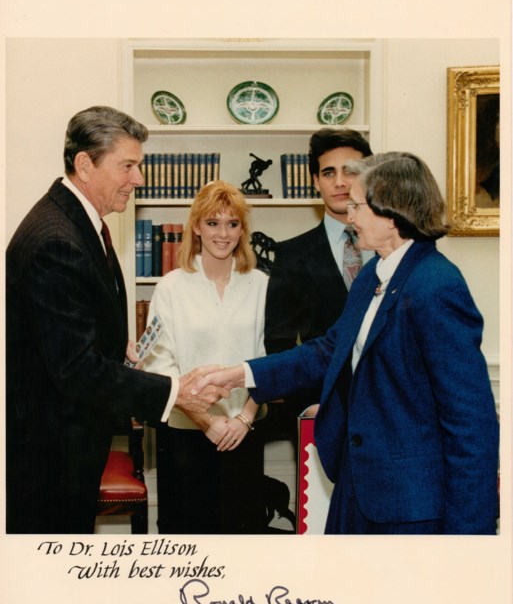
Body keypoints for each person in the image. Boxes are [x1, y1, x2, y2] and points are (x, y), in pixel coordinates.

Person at [193, 152, 500, 535]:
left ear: (392, 212)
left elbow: (470, 423)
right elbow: (327, 349)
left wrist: (469, 540)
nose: (348, 216)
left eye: (356, 206)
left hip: (411, 507)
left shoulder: (436, 286)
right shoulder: (375, 271)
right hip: (357, 486)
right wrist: (242, 374)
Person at [5, 105, 225, 534]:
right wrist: (175, 392)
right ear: (85, 165)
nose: (138, 180)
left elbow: (70, 339)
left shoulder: (78, 224)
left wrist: (113, 345)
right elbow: (75, 370)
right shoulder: (57, 240)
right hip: (49, 460)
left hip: (66, 449)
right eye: (128, 166)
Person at [143, 180, 269, 534]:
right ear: (196, 227)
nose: (223, 234)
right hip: (185, 437)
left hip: (244, 433)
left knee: (242, 541)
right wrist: (207, 422)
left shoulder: (260, 285)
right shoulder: (171, 286)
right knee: (187, 540)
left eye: (232, 223)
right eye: (213, 223)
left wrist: (243, 419)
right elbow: (159, 364)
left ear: (242, 229)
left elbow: (267, 358)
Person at [263, 128, 373, 437]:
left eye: (350, 171)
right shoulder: (292, 255)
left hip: (389, 413)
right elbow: (279, 343)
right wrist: (306, 406)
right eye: (329, 172)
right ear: (315, 182)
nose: (340, 182)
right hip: (321, 412)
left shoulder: (390, 247)